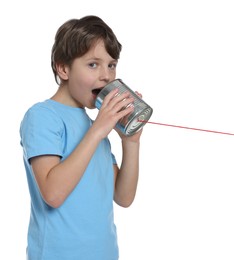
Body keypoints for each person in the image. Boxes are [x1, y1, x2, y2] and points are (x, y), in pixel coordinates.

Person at [20, 15, 142, 260]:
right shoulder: (42, 116)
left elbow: (123, 197)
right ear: (63, 68)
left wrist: (131, 142)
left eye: (111, 64)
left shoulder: (95, 127)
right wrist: (98, 130)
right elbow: (53, 194)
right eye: (93, 64)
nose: (107, 76)